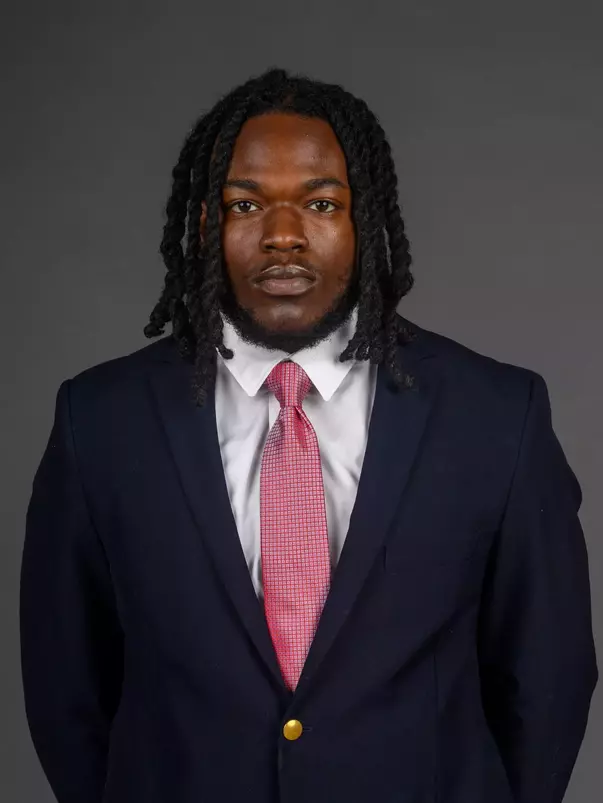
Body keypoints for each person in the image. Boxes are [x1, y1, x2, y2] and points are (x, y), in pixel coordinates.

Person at [20, 67, 597, 803]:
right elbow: (66, 683)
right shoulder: (100, 420)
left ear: (367, 220)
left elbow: (546, 675)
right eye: (245, 203)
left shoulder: (493, 414)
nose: (283, 235)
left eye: (321, 202)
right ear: (204, 222)